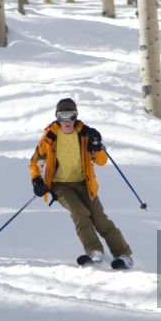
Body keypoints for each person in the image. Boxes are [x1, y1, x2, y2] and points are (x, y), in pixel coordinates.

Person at [29, 98, 134, 268]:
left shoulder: (85, 135)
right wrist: (36, 180)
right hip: (60, 185)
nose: (67, 121)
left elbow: (101, 161)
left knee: (100, 220)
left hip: (84, 183)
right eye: (63, 116)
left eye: (71, 116)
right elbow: (35, 162)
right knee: (79, 213)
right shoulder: (49, 137)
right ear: (57, 117)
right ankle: (94, 251)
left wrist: (97, 147)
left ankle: (123, 254)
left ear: (76, 116)